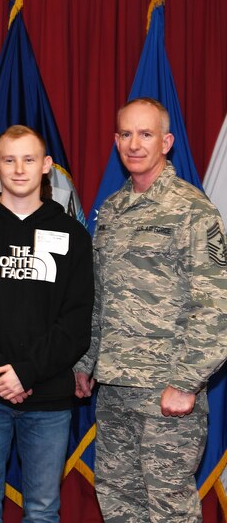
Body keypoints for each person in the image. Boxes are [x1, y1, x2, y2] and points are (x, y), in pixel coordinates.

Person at [74, 97, 227, 523]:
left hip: (167, 391)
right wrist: (86, 362)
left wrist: (186, 382)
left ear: (167, 142)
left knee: (168, 506)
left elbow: (216, 305)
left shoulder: (192, 210)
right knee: (119, 499)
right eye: (126, 134)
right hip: (115, 387)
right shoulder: (113, 211)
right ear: (115, 140)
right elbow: (101, 296)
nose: (134, 144)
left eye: (146, 134)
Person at [0, 125, 93, 523]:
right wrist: (0, 375)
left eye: (29, 159)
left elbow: (76, 322)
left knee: (43, 511)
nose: (19, 169)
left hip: (49, 398)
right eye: (9, 160)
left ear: (46, 166)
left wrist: (25, 373)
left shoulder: (72, 234)